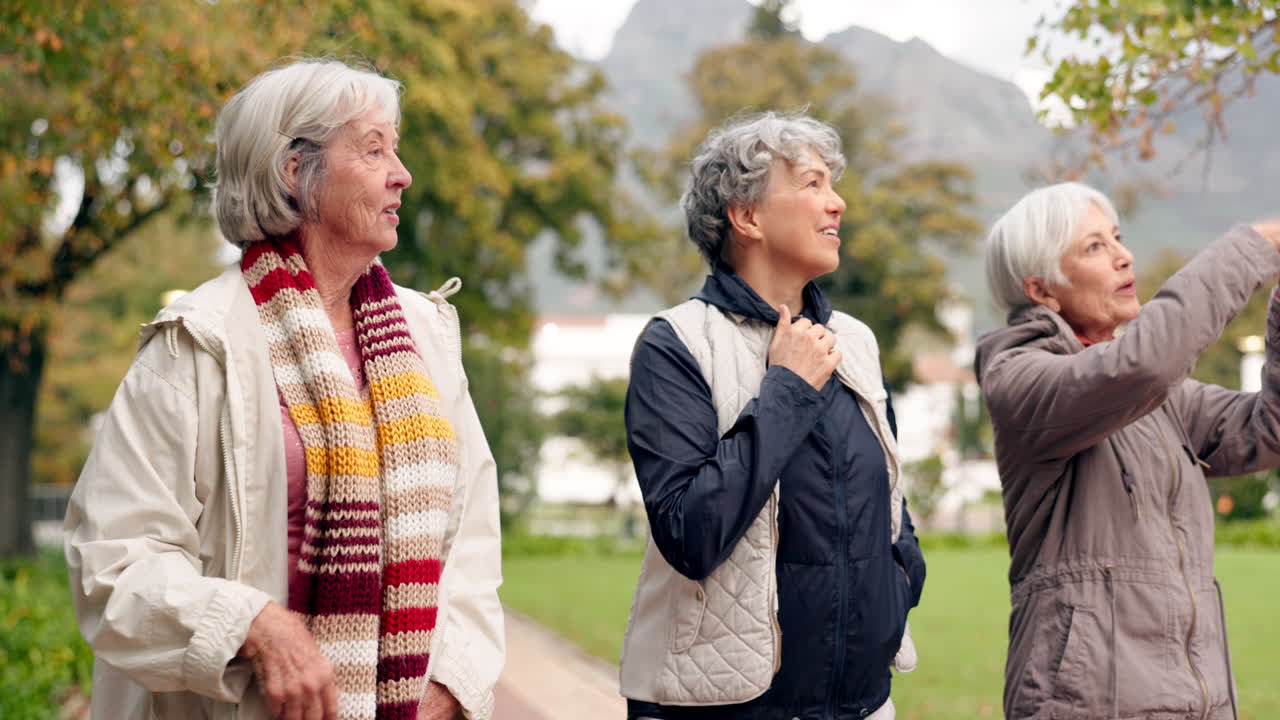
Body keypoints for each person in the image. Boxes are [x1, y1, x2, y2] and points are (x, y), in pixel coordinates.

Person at [64, 59, 504, 720]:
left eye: (396, 148)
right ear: (296, 173)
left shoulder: (428, 334)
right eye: (373, 148)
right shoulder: (195, 342)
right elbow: (114, 569)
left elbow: (471, 544)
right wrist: (254, 626)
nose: (401, 174)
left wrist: (450, 682)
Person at [618, 111, 925, 720]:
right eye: (812, 184)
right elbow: (689, 533)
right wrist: (785, 387)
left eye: (832, 185)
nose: (836, 203)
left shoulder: (856, 342)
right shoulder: (674, 344)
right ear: (747, 215)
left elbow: (891, 505)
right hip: (722, 706)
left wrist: (896, 588)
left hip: (862, 706)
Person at [976, 181, 1280, 719]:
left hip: (1200, 703)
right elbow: (1145, 363)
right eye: (1095, 246)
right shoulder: (1019, 379)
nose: (1124, 255)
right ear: (1042, 290)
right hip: (1086, 705)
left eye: (1117, 237)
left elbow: (1268, 430)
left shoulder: (1161, 401)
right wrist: (1258, 246)